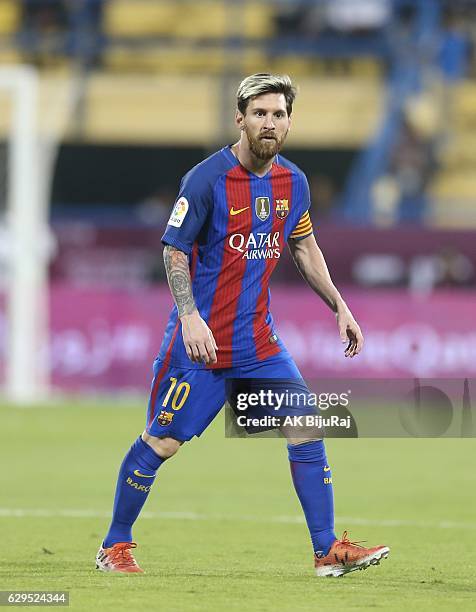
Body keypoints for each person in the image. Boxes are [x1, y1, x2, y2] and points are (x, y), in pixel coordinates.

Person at [95, 73, 389, 577]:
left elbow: (303, 245)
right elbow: (174, 250)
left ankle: (326, 552)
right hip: (202, 347)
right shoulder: (206, 180)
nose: (268, 123)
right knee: (161, 443)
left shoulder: (292, 183)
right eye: (259, 113)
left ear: (290, 122)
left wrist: (339, 305)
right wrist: (189, 318)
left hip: (258, 345)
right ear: (240, 118)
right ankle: (114, 546)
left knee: (307, 426)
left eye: (277, 114)